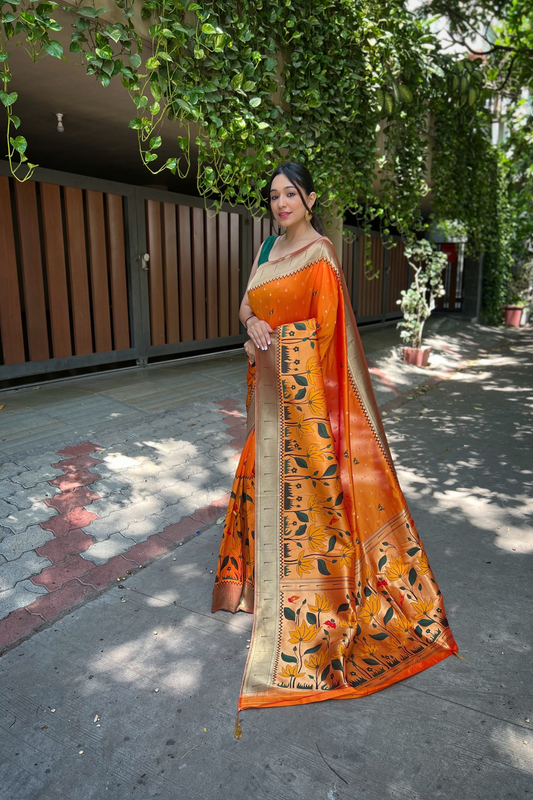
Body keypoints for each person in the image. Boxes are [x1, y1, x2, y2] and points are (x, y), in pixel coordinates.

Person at [212, 161, 457, 714]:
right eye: (273, 195)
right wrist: (250, 326)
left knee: (313, 500)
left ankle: (319, 596)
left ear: (310, 198)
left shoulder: (320, 255)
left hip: (302, 403)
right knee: (256, 474)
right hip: (264, 395)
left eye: (290, 194)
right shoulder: (264, 250)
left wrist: (293, 373)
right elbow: (247, 303)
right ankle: (253, 587)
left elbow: (327, 341)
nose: (280, 203)